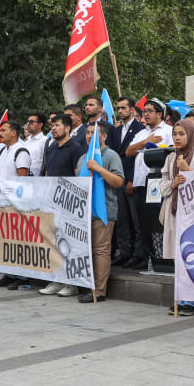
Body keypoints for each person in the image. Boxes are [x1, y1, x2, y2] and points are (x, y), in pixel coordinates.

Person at [161, 117, 194, 316]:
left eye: (182, 134)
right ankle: (180, 298)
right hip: (174, 212)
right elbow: (163, 183)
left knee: (193, 255)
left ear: (190, 135)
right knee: (178, 257)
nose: (177, 138)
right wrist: (173, 184)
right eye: (175, 134)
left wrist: (187, 171)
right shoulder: (170, 158)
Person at [76, 121, 125, 303]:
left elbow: (118, 182)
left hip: (104, 209)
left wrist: (97, 169)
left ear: (103, 136)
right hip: (83, 211)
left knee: (101, 251)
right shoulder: (84, 158)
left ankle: (99, 290)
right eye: (87, 133)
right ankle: (85, 285)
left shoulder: (111, 155)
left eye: (93, 133)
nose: (89, 136)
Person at [37, 115, 86, 295]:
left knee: (68, 244)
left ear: (67, 128)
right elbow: (48, 172)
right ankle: (55, 280)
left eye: (57, 125)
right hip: (51, 202)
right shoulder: (51, 148)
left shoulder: (76, 148)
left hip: (69, 203)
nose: (53, 129)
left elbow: (78, 176)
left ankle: (71, 283)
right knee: (52, 241)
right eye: (52, 126)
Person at [125, 99, 173, 270]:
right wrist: (146, 142)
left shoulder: (169, 130)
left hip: (158, 183)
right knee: (142, 223)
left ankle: (161, 258)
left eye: (150, 111)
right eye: (144, 111)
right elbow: (129, 152)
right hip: (141, 184)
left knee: (158, 222)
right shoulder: (141, 133)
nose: (145, 114)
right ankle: (146, 258)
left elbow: (171, 152)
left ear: (159, 114)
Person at [0, 120, 31, 288]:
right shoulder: (2, 150)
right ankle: (8, 273)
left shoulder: (22, 151)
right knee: (6, 240)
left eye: (3, 130)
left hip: (15, 203)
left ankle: (21, 277)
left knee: (19, 241)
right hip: (0, 202)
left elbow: (22, 180)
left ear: (14, 133)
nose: (0, 133)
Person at [111, 96, 143, 267]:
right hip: (117, 179)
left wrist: (131, 179)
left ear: (132, 110)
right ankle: (124, 251)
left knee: (135, 218)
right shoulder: (116, 131)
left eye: (124, 108)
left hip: (131, 179)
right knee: (121, 217)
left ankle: (138, 253)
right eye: (119, 108)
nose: (120, 111)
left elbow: (137, 158)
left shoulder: (140, 129)